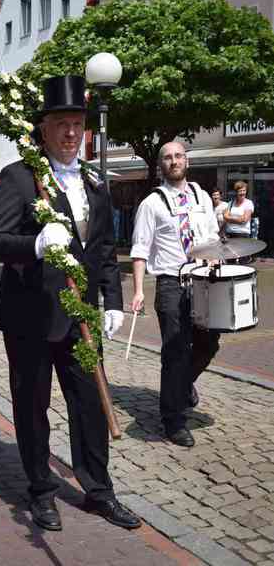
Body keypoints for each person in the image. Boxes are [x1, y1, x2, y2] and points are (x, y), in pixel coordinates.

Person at [0, 75, 140, 532]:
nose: (71, 132)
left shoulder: (95, 180)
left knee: (90, 403)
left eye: (77, 124)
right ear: (44, 128)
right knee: (32, 405)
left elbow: (104, 250)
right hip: (31, 315)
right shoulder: (20, 176)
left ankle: (99, 491)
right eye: (61, 124)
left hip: (81, 316)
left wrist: (112, 301)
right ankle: (40, 490)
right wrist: (36, 244)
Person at [130, 141, 220, 447]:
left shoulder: (202, 196)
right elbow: (140, 250)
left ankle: (181, 387)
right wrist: (138, 291)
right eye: (167, 158)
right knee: (176, 351)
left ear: (187, 161)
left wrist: (215, 258)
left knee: (209, 343)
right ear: (161, 166)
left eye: (178, 156)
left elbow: (212, 236)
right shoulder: (151, 204)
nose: (174, 161)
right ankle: (174, 421)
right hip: (170, 283)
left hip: (203, 280)